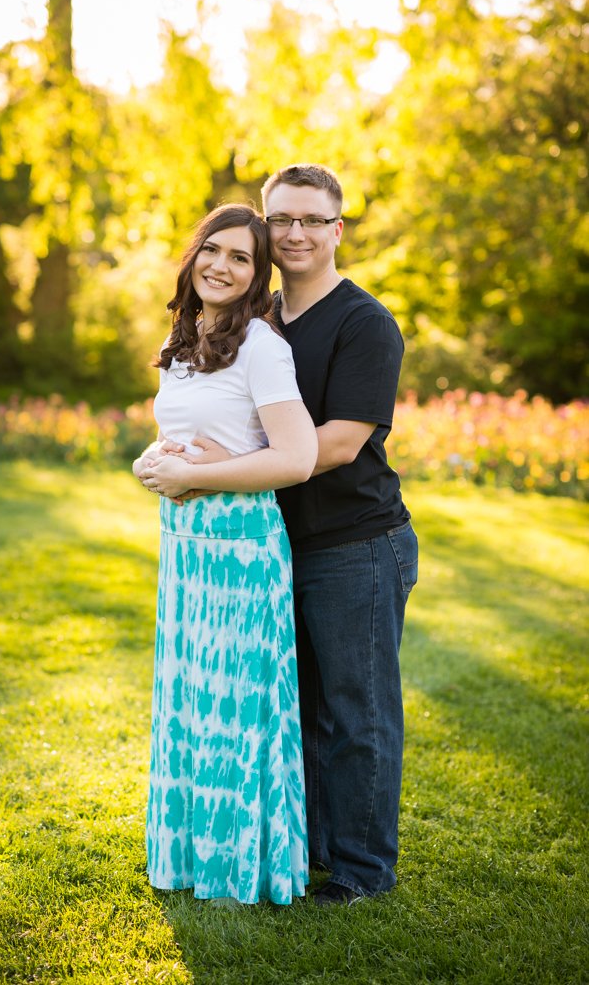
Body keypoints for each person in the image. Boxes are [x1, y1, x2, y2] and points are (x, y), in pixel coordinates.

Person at [157, 164, 418, 907]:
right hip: (276, 540)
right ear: (266, 230)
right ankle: (307, 848)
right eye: (282, 220)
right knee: (293, 705)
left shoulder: (364, 323)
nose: (295, 233)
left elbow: (332, 445)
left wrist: (213, 473)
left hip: (355, 542)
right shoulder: (257, 315)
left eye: (312, 220)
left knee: (354, 711)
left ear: (337, 230)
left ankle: (363, 871)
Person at [132, 203, 318, 907]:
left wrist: (196, 475)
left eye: (241, 258)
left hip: (240, 553)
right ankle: (188, 855)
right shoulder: (185, 340)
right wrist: (152, 466)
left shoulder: (262, 348)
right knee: (190, 707)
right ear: (192, 256)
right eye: (212, 250)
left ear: (256, 275)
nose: (221, 265)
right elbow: (185, 441)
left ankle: (240, 864)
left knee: (236, 713)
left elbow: (296, 459)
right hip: (185, 550)